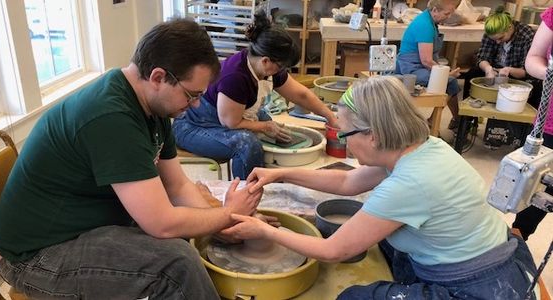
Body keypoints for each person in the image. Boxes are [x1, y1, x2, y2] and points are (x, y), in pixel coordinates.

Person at [0, 19, 265, 299]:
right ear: (158, 77)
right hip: (34, 256)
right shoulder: (111, 117)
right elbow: (162, 223)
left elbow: (177, 187)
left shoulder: (154, 107)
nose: (194, 105)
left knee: (192, 226)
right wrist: (227, 214)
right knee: (176, 264)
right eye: (192, 95)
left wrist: (223, 223)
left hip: (78, 227)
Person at [223, 76, 539, 299]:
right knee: (386, 243)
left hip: (483, 286)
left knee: (354, 297)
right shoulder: (424, 145)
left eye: (345, 135)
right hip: (492, 256)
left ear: (372, 135)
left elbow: (333, 252)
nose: (344, 145)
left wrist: (263, 232)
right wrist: (280, 175)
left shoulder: (409, 182)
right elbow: (347, 181)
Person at [172, 11, 338, 180]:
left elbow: (301, 95)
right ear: (266, 61)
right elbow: (231, 122)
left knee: (269, 121)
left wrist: (330, 116)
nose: (283, 71)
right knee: (247, 144)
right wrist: (265, 127)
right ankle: (247, 193)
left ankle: (269, 178)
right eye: (282, 67)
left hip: (225, 117)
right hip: (194, 126)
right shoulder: (235, 77)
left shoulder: (266, 68)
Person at [512, 6, 553, 241]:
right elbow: (533, 59)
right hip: (551, 122)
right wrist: (550, 73)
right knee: (539, 182)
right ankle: (519, 234)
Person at [396, 0, 462, 130]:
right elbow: (426, 61)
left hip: (418, 64)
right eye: (446, 13)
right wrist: (445, 73)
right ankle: (437, 122)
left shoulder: (430, 20)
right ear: (435, 10)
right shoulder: (424, 25)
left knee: (450, 81)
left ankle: (455, 119)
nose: (448, 17)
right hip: (410, 68)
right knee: (450, 81)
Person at [461, 7, 540, 108]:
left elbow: (528, 71)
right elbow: (482, 57)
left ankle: (524, 121)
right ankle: (467, 118)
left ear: (510, 27)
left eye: (500, 38)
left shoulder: (526, 35)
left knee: (536, 87)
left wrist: (508, 70)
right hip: (496, 69)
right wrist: (488, 69)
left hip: (518, 73)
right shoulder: (491, 31)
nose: (497, 42)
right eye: (494, 40)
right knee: (472, 74)